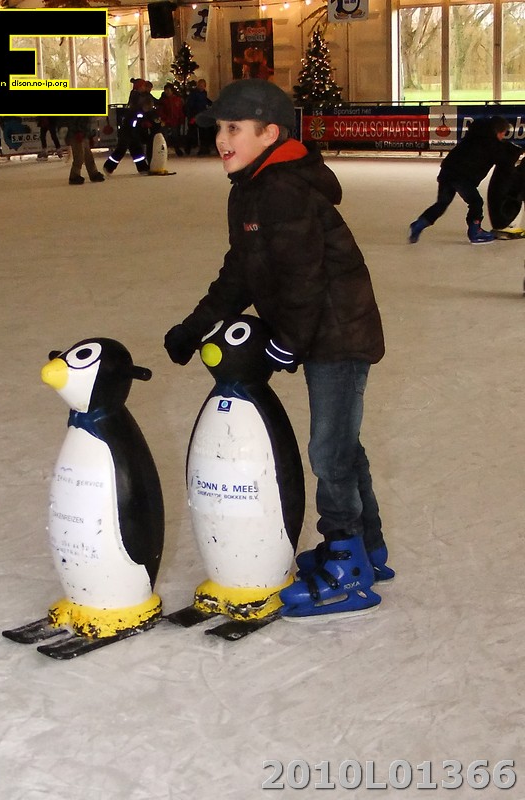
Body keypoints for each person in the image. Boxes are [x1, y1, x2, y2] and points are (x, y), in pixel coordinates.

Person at [163, 79, 393, 620]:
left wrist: (288, 344)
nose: (222, 140)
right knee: (341, 445)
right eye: (219, 129)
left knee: (329, 451)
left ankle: (348, 565)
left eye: (234, 128)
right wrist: (194, 327)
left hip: (338, 333)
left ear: (271, 133)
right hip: (320, 330)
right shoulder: (249, 187)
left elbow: (304, 278)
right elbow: (241, 272)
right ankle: (367, 547)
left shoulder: (283, 190)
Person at [409, 115, 510, 245]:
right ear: (499, 132)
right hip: (462, 177)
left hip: (447, 171)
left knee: (442, 203)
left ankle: (419, 224)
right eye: (503, 134)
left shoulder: (474, 134)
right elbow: (504, 160)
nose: (503, 137)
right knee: (476, 202)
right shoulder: (492, 145)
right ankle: (475, 231)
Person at [64, 117, 104, 185]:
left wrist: (89, 136)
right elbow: (73, 122)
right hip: (76, 135)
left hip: (83, 135)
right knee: (79, 157)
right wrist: (77, 132)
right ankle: (74, 176)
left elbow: (86, 124)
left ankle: (93, 173)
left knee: (88, 156)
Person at [184, 79, 213, 155]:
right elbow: (190, 105)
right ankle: (188, 148)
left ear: (204, 86)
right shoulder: (194, 94)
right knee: (192, 133)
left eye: (202, 85)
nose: (200, 87)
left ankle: (203, 149)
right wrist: (192, 116)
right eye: (199, 85)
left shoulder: (204, 93)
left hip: (201, 116)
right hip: (194, 116)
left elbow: (205, 102)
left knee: (203, 133)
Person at [157, 83, 185, 156]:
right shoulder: (163, 101)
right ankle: (164, 150)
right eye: (166, 90)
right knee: (165, 136)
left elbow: (180, 110)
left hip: (175, 121)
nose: (167, 92)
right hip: (166, 121)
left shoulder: (177, 100)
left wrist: (181, 119)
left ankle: (176, 149)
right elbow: (161, 111)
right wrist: (163, 119)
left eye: (168, 90)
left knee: (175, 135)